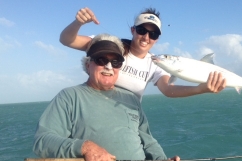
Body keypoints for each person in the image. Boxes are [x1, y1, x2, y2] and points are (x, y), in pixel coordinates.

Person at [32, 34, 223, 161]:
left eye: (115, 62)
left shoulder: (131, 98)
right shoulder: (69, 96)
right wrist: (84, 147)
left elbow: (148, 141)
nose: (108, 66)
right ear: (88, 64)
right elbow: (42, 141)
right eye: (101, 60)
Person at [60, 7, 226, 101]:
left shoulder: (155, 63)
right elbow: (67, 40)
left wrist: (201, 88)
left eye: (153, 34)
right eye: (141, 30)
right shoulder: (111, 46)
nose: (146, 37)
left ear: (157, 39)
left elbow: (168, 89)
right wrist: (78, 22)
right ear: (133, 30)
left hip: (127, 121)